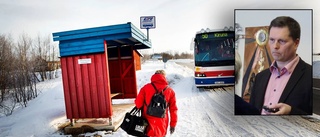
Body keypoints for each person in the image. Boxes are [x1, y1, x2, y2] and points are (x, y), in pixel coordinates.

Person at [249, 16, 312, 115]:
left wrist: (291, 112)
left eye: (281, 41)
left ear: (296, 43)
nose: (275, 46)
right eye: (272, 40)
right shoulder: (260, 77)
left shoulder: (310, 76)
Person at [135, 70, 178, 136]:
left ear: (154, 76)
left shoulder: (146, 88)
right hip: (162, 122)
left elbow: (138, 104)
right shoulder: (170, 91)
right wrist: (173, 124)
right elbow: (173, 109)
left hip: (147, 122)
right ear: (164, 77)